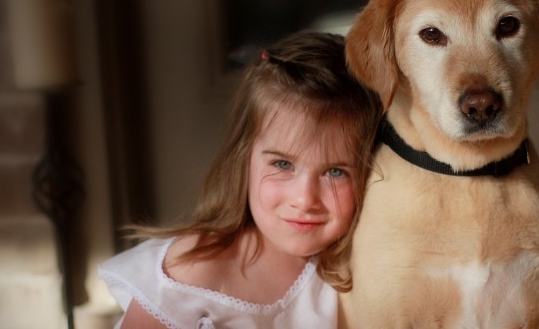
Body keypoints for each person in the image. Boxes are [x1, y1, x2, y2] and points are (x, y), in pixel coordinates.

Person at [99, 31, 382, 329]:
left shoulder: (352, 274)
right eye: (283, 164)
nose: (304, 199)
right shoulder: (193, 269)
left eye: (335, 172)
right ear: (244, 158)